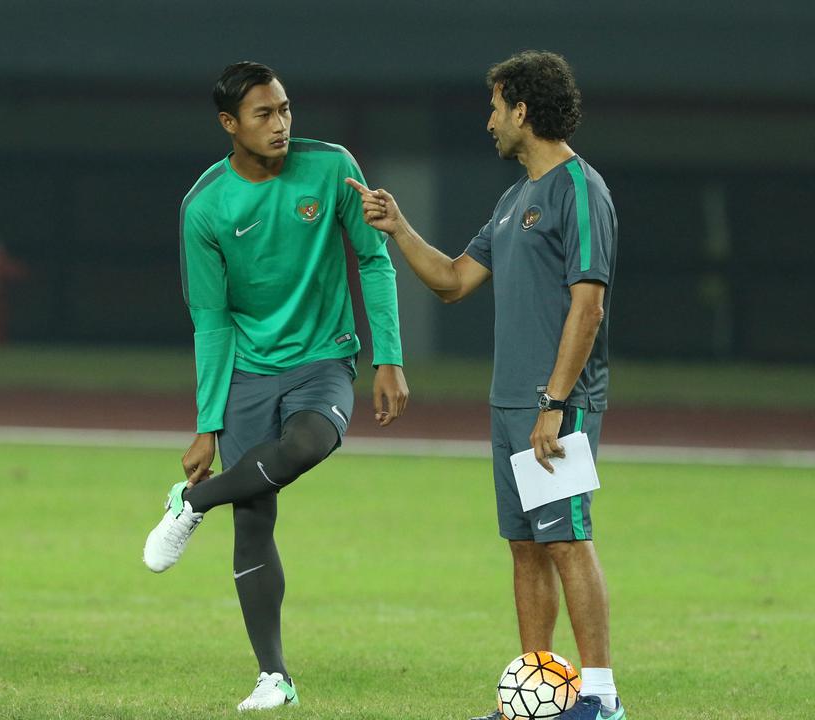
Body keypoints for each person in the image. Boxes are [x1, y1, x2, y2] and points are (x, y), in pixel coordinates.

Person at [346, 50, 625, 720]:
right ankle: (534, 700)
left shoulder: (580, 191)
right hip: (509, 406)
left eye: (496, 107)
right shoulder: (513, 199)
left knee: (567, 540)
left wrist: (554, 404)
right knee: (526, 548)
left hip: (560, 405)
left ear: (523, 110)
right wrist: (398, 227)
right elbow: (452, 281)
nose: (489, 121)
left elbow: (588, 306)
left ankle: (601, 701)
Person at [142, 61, 409, 711]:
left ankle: (193, 504)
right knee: (256, 518)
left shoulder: (332, 167)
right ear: (230, 124)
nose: (281, 124)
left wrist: (389, 358)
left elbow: (372, 260)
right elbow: (209, 320)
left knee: (309, 444)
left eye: (285, 109)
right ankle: (274, 677)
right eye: (264, 114)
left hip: (323, 360)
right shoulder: (205, 206)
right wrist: (207, 423)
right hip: (247, 372)